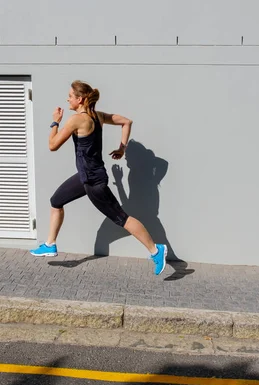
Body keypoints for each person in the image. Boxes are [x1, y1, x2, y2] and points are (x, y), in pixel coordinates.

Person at [30, 80, 168, 275]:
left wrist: (55, 122)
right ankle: (50, 244)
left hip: (94, 182)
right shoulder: (98, 117)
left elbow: (52, 145)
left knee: (123, 219)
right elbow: (126, 122)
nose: (67, 99)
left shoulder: (76, 120)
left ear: (80, 99)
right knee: (56, 201)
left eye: (70, 96)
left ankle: (156, 250)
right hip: (85, 176)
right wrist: (122, 149)